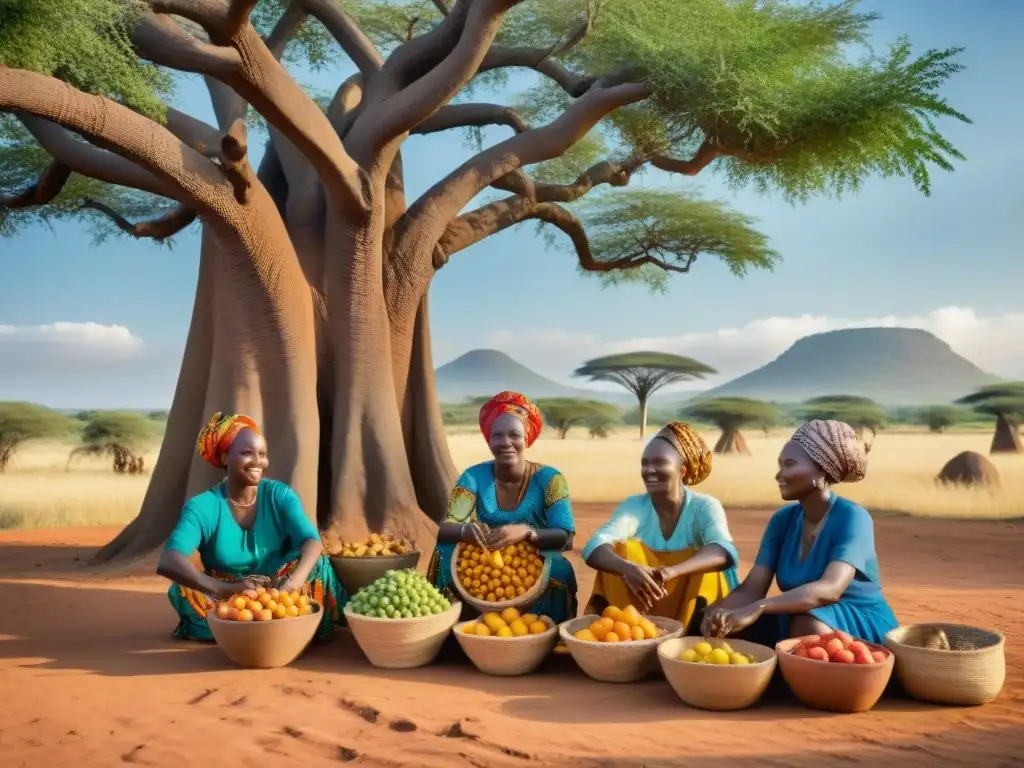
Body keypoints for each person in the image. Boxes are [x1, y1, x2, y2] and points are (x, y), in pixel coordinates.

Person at [701, 419, 898, 645]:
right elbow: (753, 588)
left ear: (822, 469)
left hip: (854, 620)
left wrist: (759, 607)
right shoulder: (782, 520)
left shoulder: (852, 517)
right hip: (798, 616)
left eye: (790, 464)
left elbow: (830, 590)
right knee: (728, 627)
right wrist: (717, 613)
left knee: (808, 627)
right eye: (780, 465)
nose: (779, 475)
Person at [158, 412, 346, 641]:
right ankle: (273, 629)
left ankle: (282, 625)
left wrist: (291, 585)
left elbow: (311, 541)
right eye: (247, 453)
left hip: (281, 586)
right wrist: (226, 590)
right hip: (228, 594)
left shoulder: (279, 495)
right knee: (184, 588)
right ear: (225, 457)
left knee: (318, 565)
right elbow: (169, 560)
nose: (258, 462)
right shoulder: (203, 506)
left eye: (263, 454)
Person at [426, 391, 578, 623]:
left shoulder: (550, 479)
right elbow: (446, 529)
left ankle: (546, 632)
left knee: (558, 567)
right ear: (489, 441)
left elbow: (564, 536)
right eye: (497, 435)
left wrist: (527, 533)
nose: (506, 442)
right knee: (443, 553)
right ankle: (451, 630)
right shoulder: (473, 477)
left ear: (526, 438)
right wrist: (466, 531)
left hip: (532, 558)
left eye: (514, 435)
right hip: (482, 561)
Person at [581, 421, 740, 634]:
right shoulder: (634, 506)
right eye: (644, 463)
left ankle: (696, 635)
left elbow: (723, 551)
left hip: (689, 602)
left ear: (681, 470)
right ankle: (628, 633)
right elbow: (594, 546)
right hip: (645, 601)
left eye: (659, 463)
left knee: (708, 568)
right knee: (620, 551)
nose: (649, 470)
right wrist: (630, 569)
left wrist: (670, 572)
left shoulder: (704, 506)